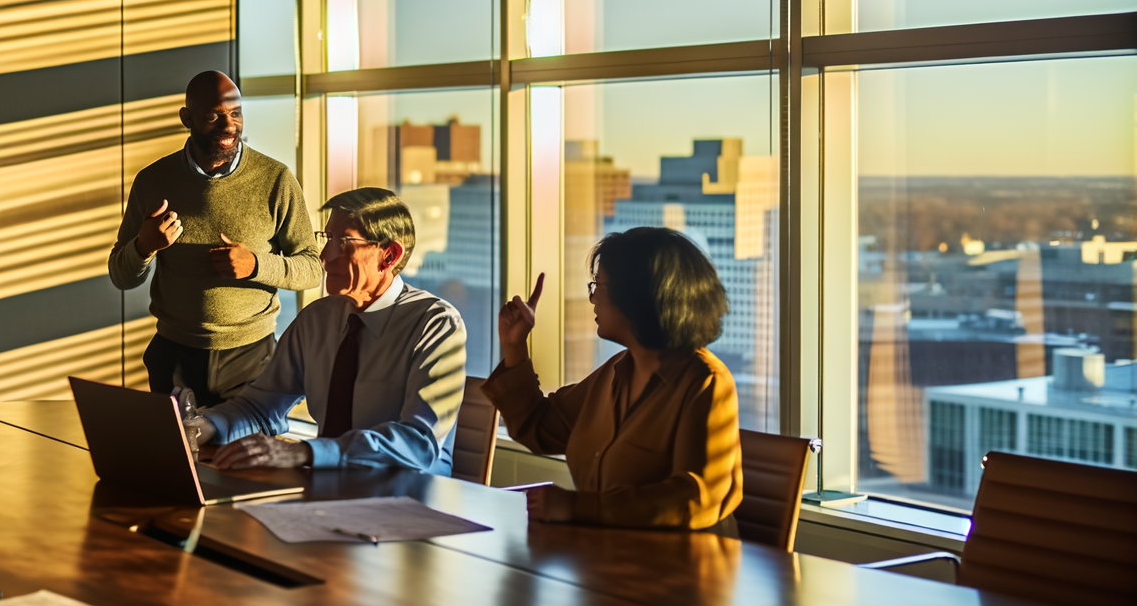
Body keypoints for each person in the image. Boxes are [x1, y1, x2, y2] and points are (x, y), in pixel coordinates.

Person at [187, 188, 467, 475]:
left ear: (389, 255)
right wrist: (201, 427)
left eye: (344, 242)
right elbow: (260, 407)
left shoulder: (435, 324)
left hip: (410, 496)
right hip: (328, 485)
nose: (325, 257)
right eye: (328, 239)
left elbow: (418, 444)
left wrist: (306, 451)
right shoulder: (317, 320)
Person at [484, 226, 742, 532]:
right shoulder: (617, 370)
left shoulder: (705, 382)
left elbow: (695, 497)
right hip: (605, 558)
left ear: (634, 294)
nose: (592, 298)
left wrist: (579, 507)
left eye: (598, 286)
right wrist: (515, 347)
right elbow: (539, 427)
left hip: (681, 569)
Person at [108, 71, 321, 407]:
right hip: (175, 358)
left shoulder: (275, 179)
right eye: (214, 116)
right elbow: (121, 276)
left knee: (249, 458)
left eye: (235, 114)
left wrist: (255, 265)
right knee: (178, 459)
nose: (228, 125)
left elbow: (312, 268)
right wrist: (143, 246)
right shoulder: (153, 181)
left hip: (251, 359)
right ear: (187, 118)